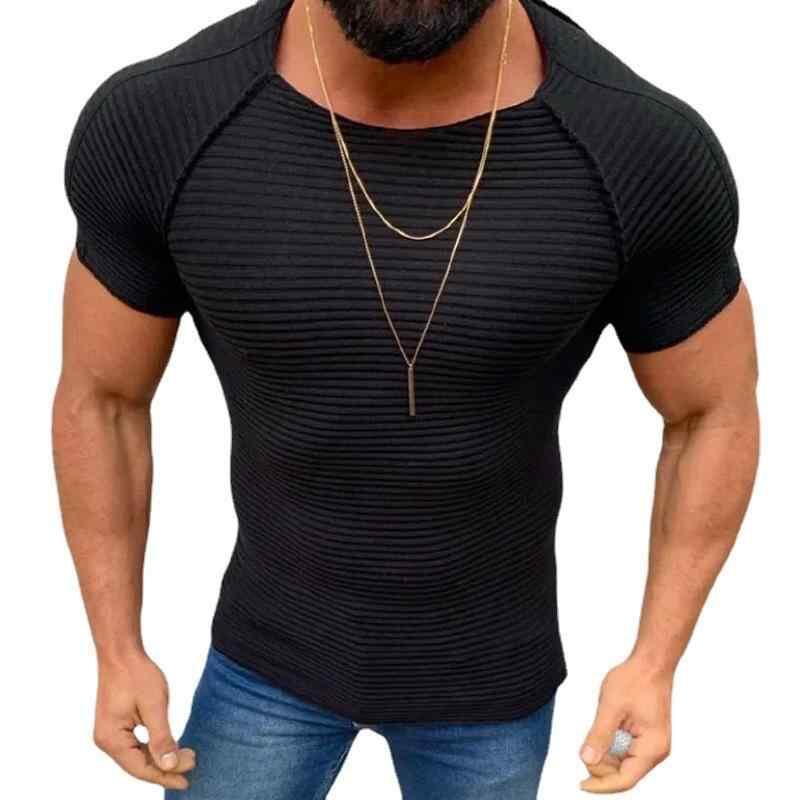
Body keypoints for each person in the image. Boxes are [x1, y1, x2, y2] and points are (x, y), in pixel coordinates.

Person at [53, 0, 759, 797]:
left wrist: (655, 662)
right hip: (265, 658)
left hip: (493, 679)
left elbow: (712, 410)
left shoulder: (640, 146)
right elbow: (103, 398)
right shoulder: (163, 120)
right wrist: (116, 650)